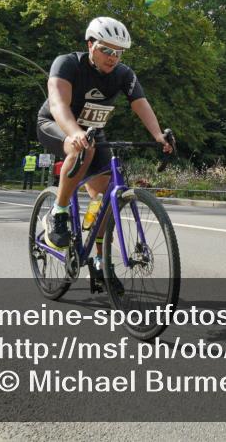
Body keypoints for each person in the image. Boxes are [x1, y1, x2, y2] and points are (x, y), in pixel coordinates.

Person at [36, 17, 173, 288]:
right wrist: (74, 132)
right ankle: (59, 211)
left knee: (106, 197)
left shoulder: (124, 74)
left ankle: (100, 262)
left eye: (118, 52)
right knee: (82, 152)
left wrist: (158, 135)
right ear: (90, 45)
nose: (113, 58)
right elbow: (58, 103)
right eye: (106, 50)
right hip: (56, 123)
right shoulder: (67, 63)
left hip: (92, 133)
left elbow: (141, 104)